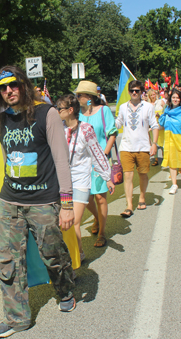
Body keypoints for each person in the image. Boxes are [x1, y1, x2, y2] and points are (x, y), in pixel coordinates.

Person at [0, 66, 76, 338]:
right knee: (8, 262)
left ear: (24, 85)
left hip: (43, 201)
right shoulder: (1, 120)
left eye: (13, 85)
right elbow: (6, 158)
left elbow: (61, 159)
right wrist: (2, 194)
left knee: (52, 254)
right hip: (9, 201)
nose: (8, 91)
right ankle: (17, 319)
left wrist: (67, 204)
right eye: (3, 88)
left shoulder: (46, 114)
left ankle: (65, 290)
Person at [57, 94, 114, 260]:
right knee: (62, 223)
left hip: (81, 181)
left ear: (70, 110)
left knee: (73, 222)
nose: (57, 111)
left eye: (60, 108)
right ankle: (75, 253)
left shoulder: (86, 129)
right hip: (62, 182)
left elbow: (97, 153)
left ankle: (77, 256)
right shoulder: (59, 128)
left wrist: (107, 177)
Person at [77, 80, 117, 247]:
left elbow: (112, 133)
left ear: (89, 97)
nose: (77, 97)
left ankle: (102, 232)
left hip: (100, 161)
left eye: (80, 95)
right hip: (83, 163)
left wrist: (105, 154)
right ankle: (97, 217)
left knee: (100, 197)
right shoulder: (77, 113)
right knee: (85, 198)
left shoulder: (104, 111)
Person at [115, 80, 159, 217]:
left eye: (137, 91)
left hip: (143, 146)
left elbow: (155, 125)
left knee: (143, 174)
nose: (134, 93)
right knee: (128, 175)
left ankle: (142, 197)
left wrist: (154, 143)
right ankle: (129, 205)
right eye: (132, 90)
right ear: (129, 92)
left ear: (141, 92)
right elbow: (118, 123)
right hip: (126, 147)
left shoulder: (148, 107)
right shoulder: (123, 107)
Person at [158, 89, 181, 194]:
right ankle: (174, 184)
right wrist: (163, 116)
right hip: (170, 139)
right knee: (172, 161)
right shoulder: (167, 110)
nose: (175, 99)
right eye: (173, 97)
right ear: (170, 98)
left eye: (177, 97)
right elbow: (162, 123)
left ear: (180, 99)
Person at [147, 89, 165, 166]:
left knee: (162, 144)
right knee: (154, 143)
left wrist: (160, 115)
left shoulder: (160, 102)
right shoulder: (147, 104)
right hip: (152, 127)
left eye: (154, 94)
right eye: (152, 95)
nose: (153, 96)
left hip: (160, 126)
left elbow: (166, 113)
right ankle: (156, 159)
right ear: (149, 96)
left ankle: (165, 159)